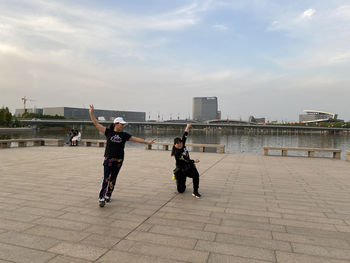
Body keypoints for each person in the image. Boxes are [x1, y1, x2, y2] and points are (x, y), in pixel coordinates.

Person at [89, 104, 156, 207]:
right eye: (121, 124)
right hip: (109, 159)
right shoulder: (108, 132)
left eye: (124, 124)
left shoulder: (125, 135)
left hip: (119, 160)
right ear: (116, 124)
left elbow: (136, 139)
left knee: (113, 179)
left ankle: (108, 196)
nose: (123, 125)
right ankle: (101, 197)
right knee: (106, 178)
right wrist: (91, 112)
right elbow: (96, 123)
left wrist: (147, 142)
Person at [171, 123, 201, 198]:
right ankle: (179, 180)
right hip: (181, 169)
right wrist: (194, 161)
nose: (180, 144)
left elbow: (185, 135)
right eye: (177, 144)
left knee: (196, 175)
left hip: (188, 167)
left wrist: (187, 126)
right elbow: (185, 160)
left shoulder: (183, 144)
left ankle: (195, 191)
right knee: (181, 190)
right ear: (175, 145)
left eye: (180, 143)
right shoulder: (177, 153)